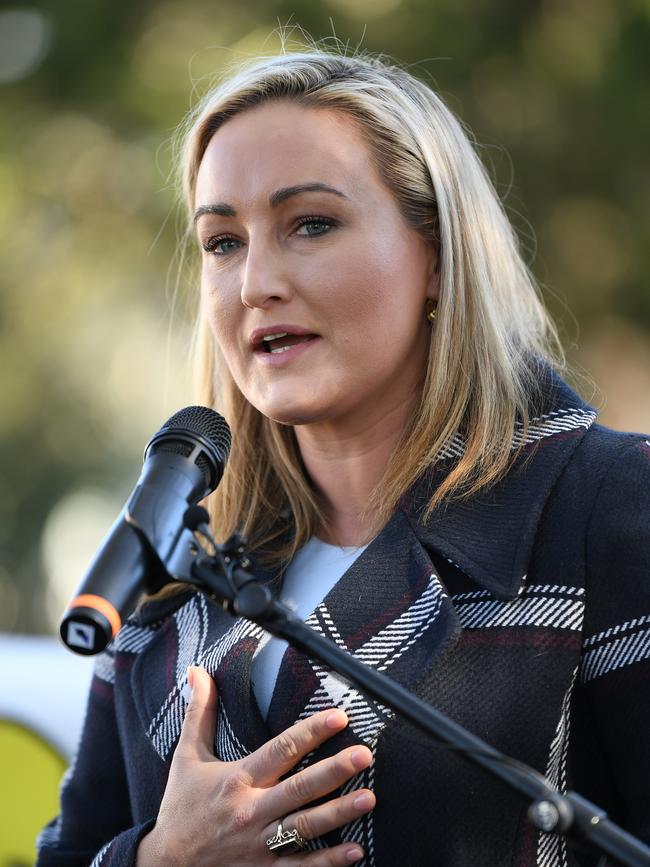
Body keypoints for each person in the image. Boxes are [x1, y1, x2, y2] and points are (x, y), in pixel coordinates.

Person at [37, 48, 650, 867]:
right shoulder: (169, 589)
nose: (255, 281)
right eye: (222, 241)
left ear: (437, 253)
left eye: (312, 224)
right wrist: (160, 860)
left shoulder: (606, 506)